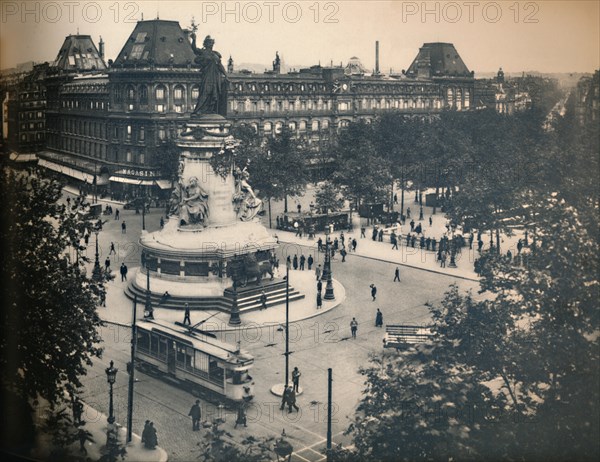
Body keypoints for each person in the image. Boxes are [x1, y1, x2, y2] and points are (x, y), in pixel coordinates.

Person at [191, 34, 228, 116]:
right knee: (205, 91)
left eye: (212, 43)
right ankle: (199, 109)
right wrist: (194, 39)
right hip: (207, 76)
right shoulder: (203, 52)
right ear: (205, 44)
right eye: (209, 43)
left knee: (214, 93)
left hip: (216, 77)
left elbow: (220, 66)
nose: (211, 44)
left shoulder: (215, 54)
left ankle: (210, 110)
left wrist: (226, 75)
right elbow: (194, 49)